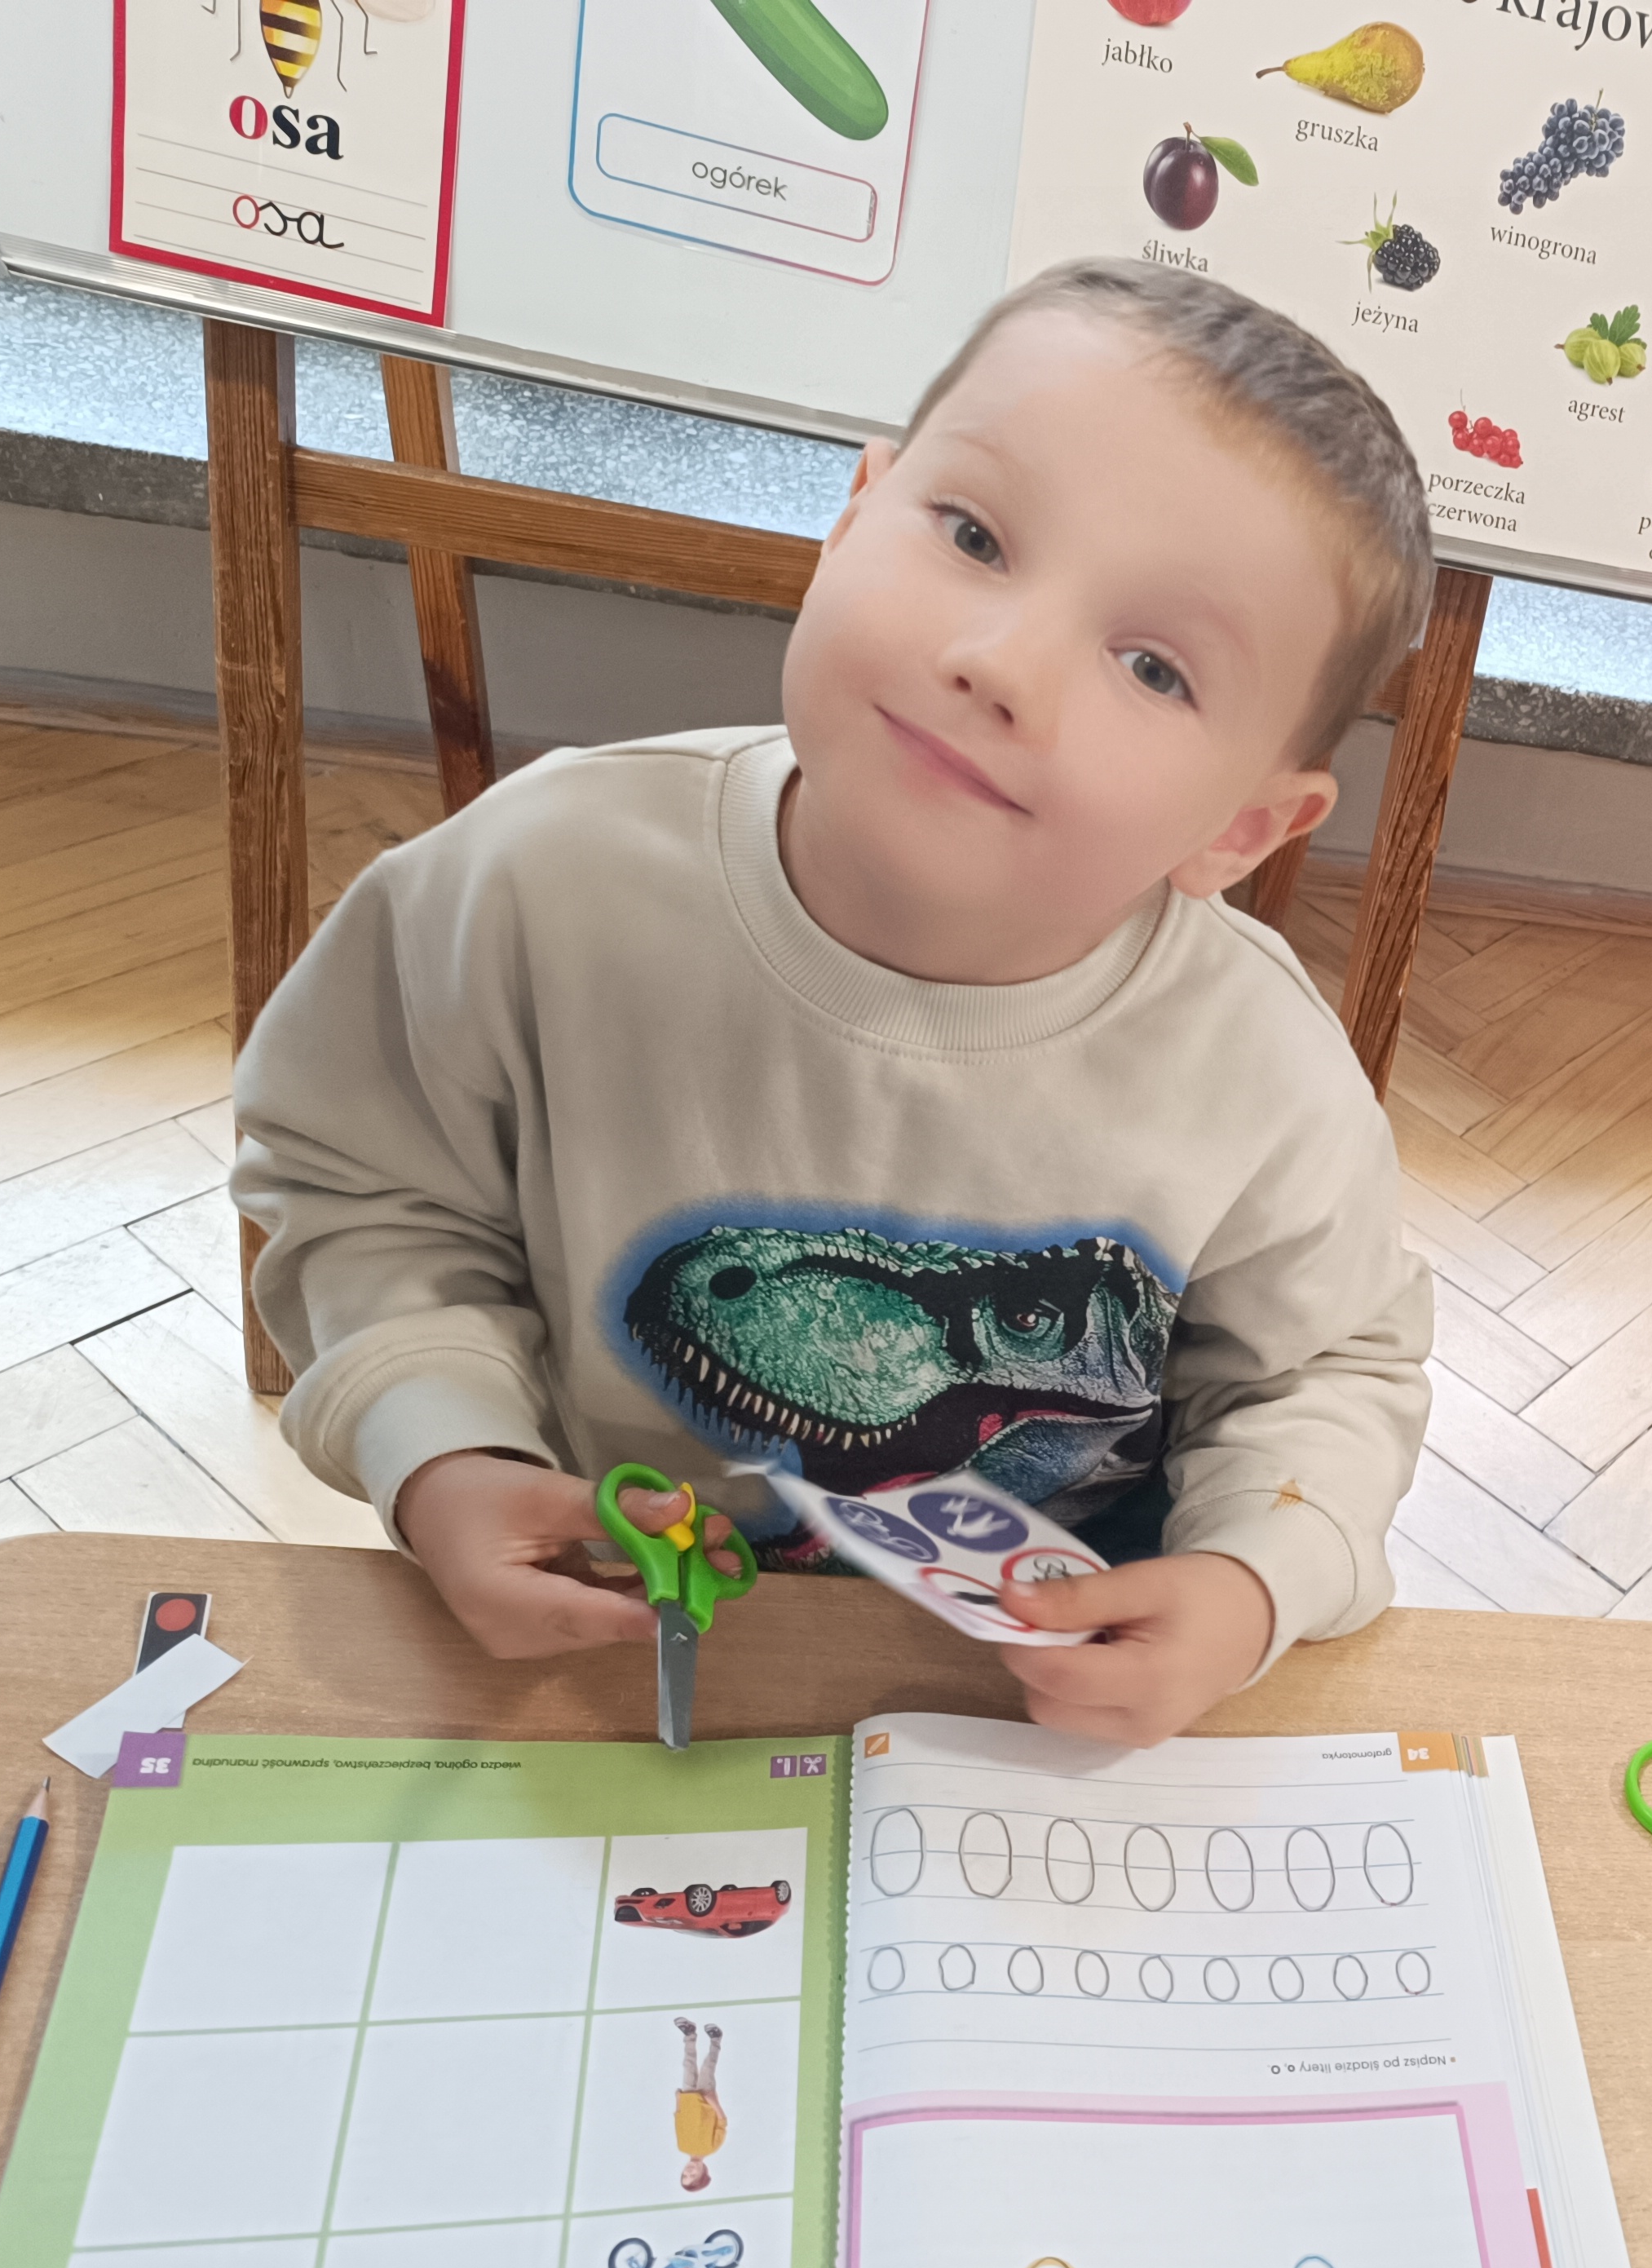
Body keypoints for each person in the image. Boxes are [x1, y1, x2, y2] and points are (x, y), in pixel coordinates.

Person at [232, 261, 1434, 1745]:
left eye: (1151, 667)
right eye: (975, 535)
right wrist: (439, 1445)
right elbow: (364, 1190)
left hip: (1047, 1712)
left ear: (1244, 828)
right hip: (606, 1634)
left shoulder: (1264, 1073)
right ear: (853, 516)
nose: (1000, 663)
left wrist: (1256, 1581)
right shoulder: (526, 885)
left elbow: (1329, 1372)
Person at [673, 2015, 726, 2194]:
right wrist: (714, 2102)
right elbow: (722, 2123)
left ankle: (690, 2034)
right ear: (702, 2173)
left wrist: (678, 2101)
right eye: (693, 2175)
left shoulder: (682, 2146)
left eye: (685, 2175)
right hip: (706, 2099)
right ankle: (716, 2040)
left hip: (688, 2100)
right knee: (707, 2068)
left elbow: (680, 2123)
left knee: (688, 2064)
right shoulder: (712, 2148)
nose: (688, 2171)